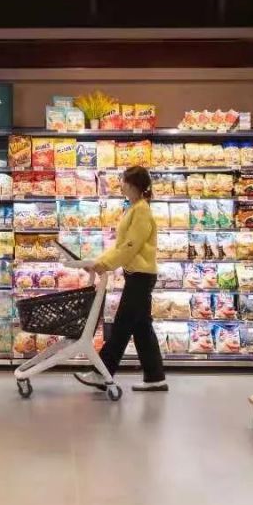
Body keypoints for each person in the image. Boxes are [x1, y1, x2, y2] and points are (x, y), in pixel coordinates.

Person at [75, 166, 167, 392]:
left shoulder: (141, 210)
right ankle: (155, 377)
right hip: (138, 275)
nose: (121, 185)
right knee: (142, 328)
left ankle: (102, 373)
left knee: (122, 326)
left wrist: (105, 264)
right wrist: (98, 261)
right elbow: (121, 246)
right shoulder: (135, 208)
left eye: (124, 181)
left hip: (140, 277)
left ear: (133, 185)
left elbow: (130, 246)